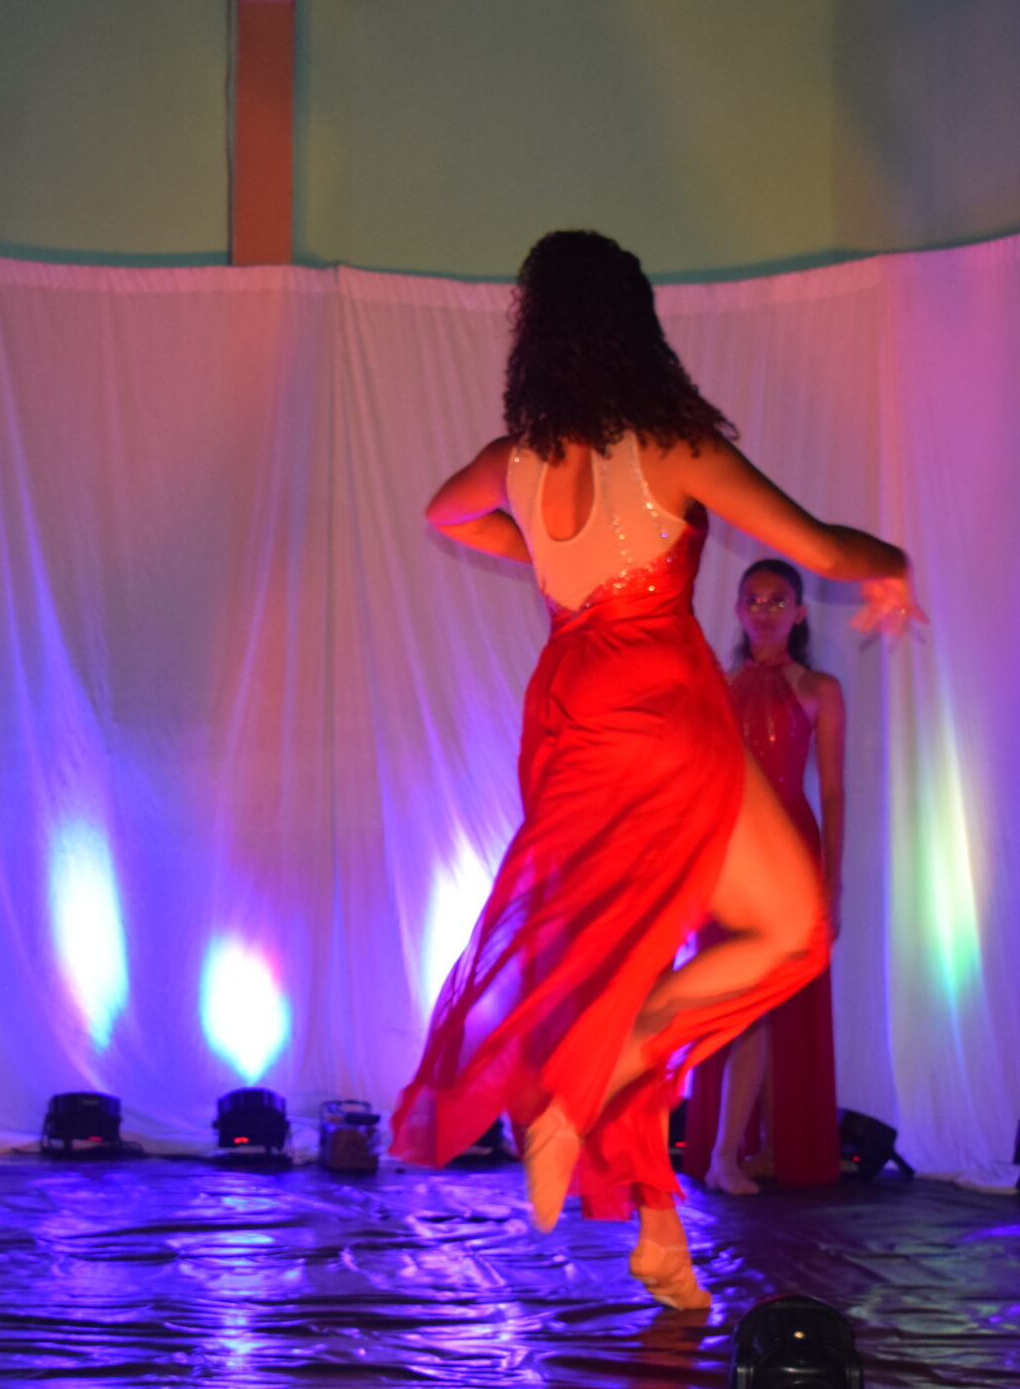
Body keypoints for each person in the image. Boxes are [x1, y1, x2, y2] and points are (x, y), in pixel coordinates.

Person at [388, 230, 919, 1311]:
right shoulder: (672, 445)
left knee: (622, 962)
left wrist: (540, 557)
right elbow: (822, 550)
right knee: (791, 930)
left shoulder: (517, 458)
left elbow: (445, 511)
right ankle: (598, 1073)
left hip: (568, 712)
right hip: (659, 705)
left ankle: (659, 1235)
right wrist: (894, 565)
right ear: (633, 326)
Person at [681, 559, 845, 1197]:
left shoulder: (819, 688)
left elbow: (833, 792)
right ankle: (729, 1151)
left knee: (767, 1004)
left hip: (791, 856)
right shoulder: (716, 688)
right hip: (729, 856)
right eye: (753, 599)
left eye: (778, 601)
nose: (764, 611)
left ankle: (749, 1150)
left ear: (799, 613)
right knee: (736, 1003)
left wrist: (832, 884)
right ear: (737, 609)